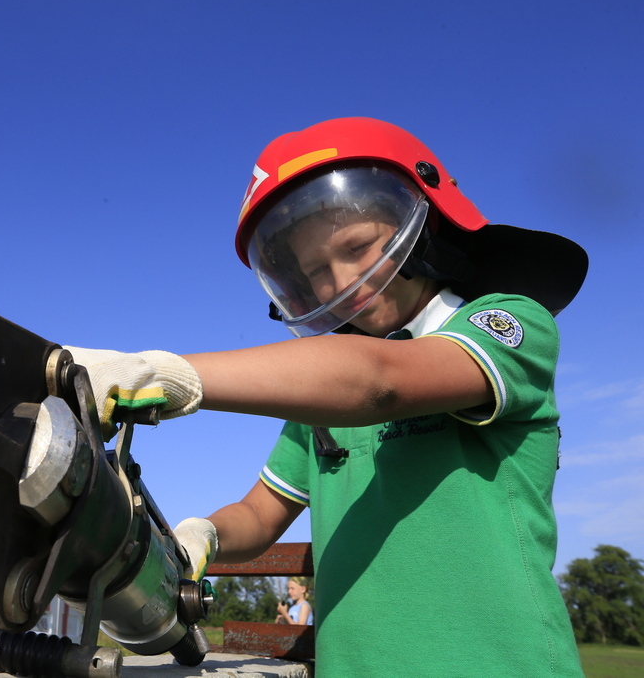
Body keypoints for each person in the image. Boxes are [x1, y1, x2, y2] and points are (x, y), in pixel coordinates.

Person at [65, 117, 588, 677]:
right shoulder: (324, 404)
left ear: (424, 221)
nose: (340, 283)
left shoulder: (506, 323)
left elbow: (381, 382)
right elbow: (260, 515)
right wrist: (206, 535)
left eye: (357, 247)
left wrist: (166, 374)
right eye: (315, 271)